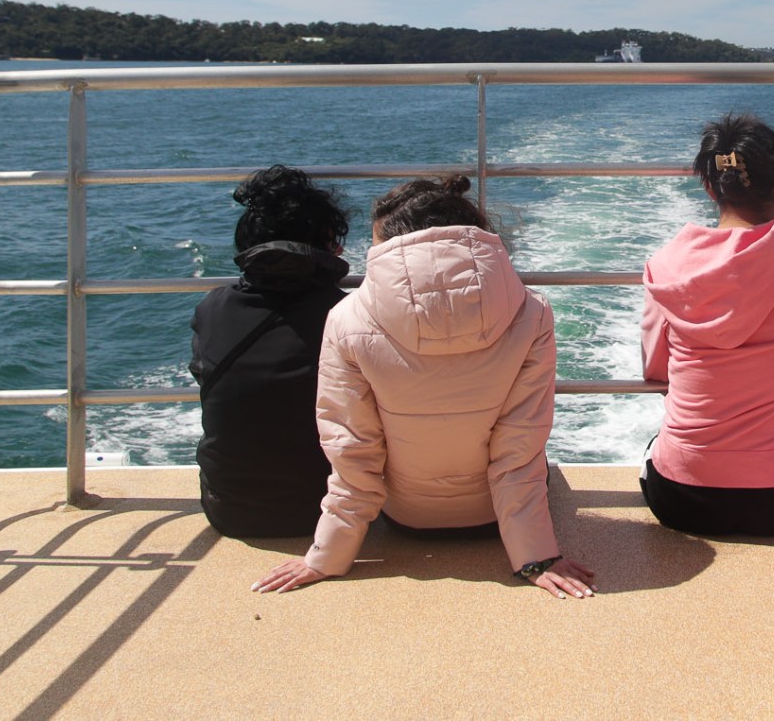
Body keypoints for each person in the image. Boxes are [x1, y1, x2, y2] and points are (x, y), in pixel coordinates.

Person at [253, 176, 595, 599]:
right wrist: (536, 556)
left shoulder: (345, 319)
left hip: (406, 520)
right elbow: (520, 446)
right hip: (494, 521)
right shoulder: (532, 311)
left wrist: (325, 556)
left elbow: (352, 450)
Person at [639, 112, 774, 535]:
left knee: (657, 447)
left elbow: (655, 370)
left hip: (677, 499)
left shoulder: (665, 266)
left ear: (709, 186)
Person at [190, 165, 353, 538]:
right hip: (328, 512)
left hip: (230, 509)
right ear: (328, 248)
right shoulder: (347, 315)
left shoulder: (212, 309)